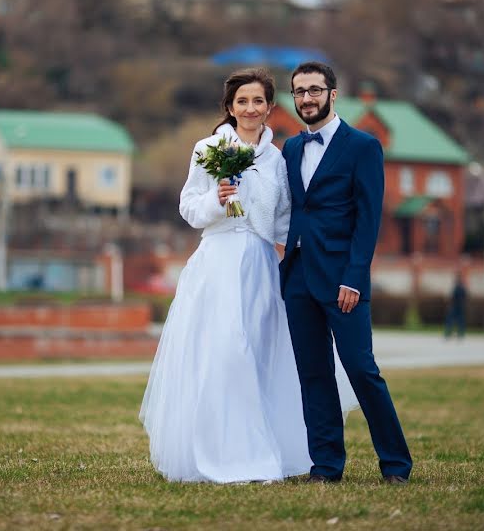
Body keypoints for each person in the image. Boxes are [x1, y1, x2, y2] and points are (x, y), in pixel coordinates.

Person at [139, 68, 355, 484]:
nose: (251, 108)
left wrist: (279, 253)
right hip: (218, 260)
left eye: (258, 101)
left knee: (256, 356)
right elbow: (189, 207)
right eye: (242, 101)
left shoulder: (278, 158)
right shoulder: (208, 148)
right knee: (223, 354)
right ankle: (219, 454)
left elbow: (284, 217)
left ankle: (260, 450)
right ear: (229, 107)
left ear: (271, 107)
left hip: (260, 267)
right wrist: (218, 202)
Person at [279, 61, 412, 485]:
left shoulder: (363, 146)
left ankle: (396, 464)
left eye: (314, 90)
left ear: (333, 95)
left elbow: (369, 220)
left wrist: (354, 277)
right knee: (313, 375)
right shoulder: (292, 149)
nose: (306, 99)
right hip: (298, 277)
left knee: (361, 370)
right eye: (299, 92)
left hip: (343, 280)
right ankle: (326, 466)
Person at [444, 271, 467, 340]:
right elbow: (465, 296)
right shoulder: (462, 287)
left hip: (456, 306)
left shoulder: (457, 287)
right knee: (459, 320)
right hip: (460, 306)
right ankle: (460, 333)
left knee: (451, 320)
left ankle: (449, 333)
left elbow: (453, 297)